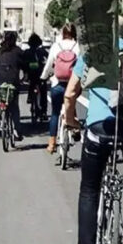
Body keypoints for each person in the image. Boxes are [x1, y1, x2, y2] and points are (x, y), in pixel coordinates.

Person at [64, 17, 123, 244]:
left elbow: (70, 94)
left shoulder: (92, 55)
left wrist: (71, 121)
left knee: (90, 188)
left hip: (100, 129)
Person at [41, 23, 80, 154]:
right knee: (72, 102)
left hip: (57, 84)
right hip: (72, 85)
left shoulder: (56, 46)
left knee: (55, 113)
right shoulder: (78, 47)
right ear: (74, 34)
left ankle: (52, 144)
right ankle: (75, 128)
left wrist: (43, 77)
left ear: (63, 33)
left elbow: (48, 66)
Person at [0, 31, 24, 143]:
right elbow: (24, 66)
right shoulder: (18, 51)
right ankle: (17, 131)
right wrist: (24, 79)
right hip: (13, 80)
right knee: (14, 106)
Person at [23, 33, 49, 119]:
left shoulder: (27, 52)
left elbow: (22, 63)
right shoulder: (42, 51)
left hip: (31, 74)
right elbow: (48, 60)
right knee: (43, 91)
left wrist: (25, 73)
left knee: (31, 84)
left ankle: (30, 97)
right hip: (40, 74)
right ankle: (44, 112)